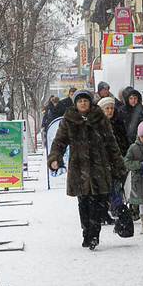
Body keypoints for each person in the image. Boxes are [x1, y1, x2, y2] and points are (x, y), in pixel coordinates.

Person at [48, 90, 126, 251]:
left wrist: (118, 165)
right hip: (79, 168)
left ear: (90, 103)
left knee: (98, 204)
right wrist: (55, 157)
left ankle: (94, 235)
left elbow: (111, 144)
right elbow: (59, 141)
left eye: (85, 100)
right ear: (75, 104)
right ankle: (86, 232)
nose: (83, 103)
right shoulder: (69, 120)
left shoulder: (100, 118)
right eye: (80, 101)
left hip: (99, 167)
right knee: (83, 203)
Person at [98, 96, 129, 224]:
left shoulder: (118, 122)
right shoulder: (98, 125)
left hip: (116, 161)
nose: (110, 111)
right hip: (102, 162)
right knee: (104, 190)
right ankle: (103, 213)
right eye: (107, 108)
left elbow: (124, 141)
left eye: (111, 108)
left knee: (116, 187)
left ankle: (117, 210)